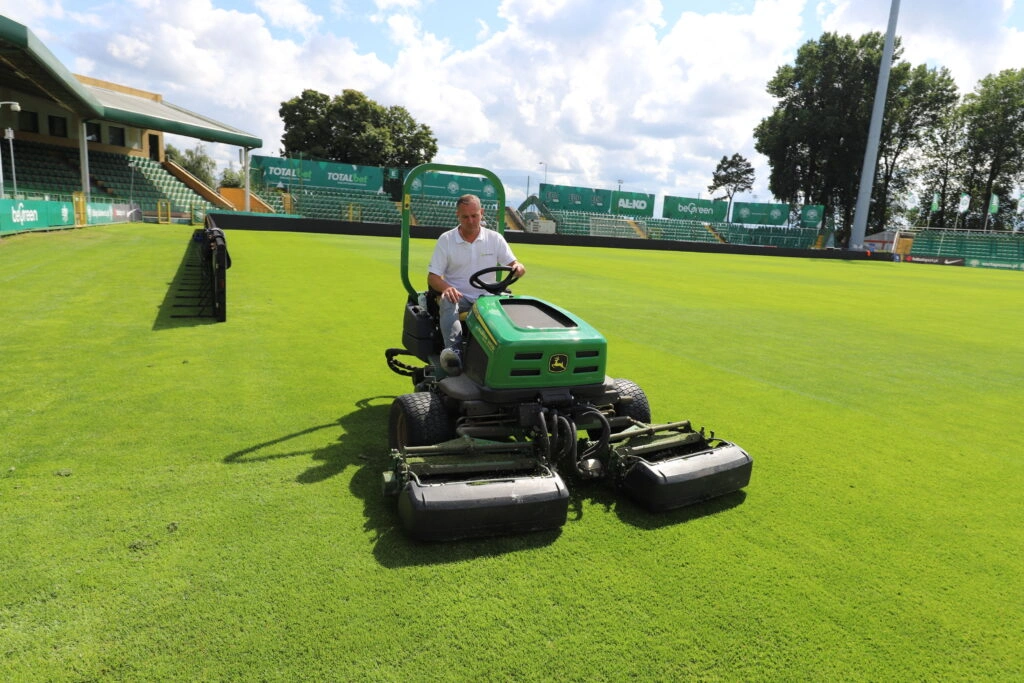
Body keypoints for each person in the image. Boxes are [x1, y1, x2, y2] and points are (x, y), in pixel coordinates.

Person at [427, 193, 525, 374]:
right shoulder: (446, 240)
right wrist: (447, 288)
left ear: (482, 212)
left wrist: (518, 266)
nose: (471, 221)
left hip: (488, 297)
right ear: (458, 215)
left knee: (516, 302)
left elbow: (513, 263)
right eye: (465, 217)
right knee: (448, 300)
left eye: (474, 216)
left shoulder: (494, 238)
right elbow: (432, 277)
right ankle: (454, 352)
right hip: (460, 296)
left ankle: (514, 349)